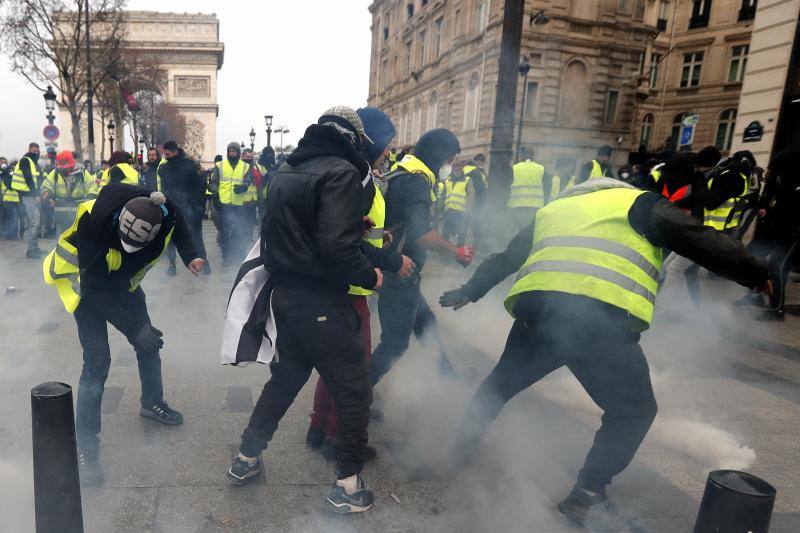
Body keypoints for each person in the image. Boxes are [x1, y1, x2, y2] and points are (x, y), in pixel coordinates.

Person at [439, 176, 770, 529]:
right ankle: (586, 497)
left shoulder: (554, 208)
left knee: (500, 384)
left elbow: (508, 257)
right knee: (634, 411)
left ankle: (459, 449)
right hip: (598, 319)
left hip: (538, 312)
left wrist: (470, 289)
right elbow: (700, 240)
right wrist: (755, 272)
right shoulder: (640, 203)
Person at [226, 107, 381, 514]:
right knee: (353, 391)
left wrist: (348, 227)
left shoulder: (287, 172)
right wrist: (371, 276)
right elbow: (335, 247)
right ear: (351, 138)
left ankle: (245, 459)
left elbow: (289, 229)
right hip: (322, 300)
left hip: (286, 296)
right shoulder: (343, 172)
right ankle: (348, 486)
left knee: (286, 379)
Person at [43, 183, 205, 486]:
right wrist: (133, 328)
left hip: (121, 281)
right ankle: (86, 447)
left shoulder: (162, 210)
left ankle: (152, 403)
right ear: (119, 222)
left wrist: (191, 254)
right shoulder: (94, 222)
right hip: (84, 282)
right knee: (97, 361)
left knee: (149, 343)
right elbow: (94, 290)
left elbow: (179, 221)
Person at [306, 106, 416, 461]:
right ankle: (338, 439)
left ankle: (318, 428)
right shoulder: (356, 177)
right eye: (386, 143)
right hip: (349, 288)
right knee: (353, 371)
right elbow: (346, 242)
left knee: (333, 366)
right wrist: (391, 261)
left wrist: (377, 239)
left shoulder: (359, 174)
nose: (389, 151)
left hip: (339, 287)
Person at [368, 128, 474, 404]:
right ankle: (355, 396)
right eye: (450, 160)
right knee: (394, 344)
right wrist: (455, 251)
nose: (449, 167)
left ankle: (446, 376)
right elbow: (421, 233)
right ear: (441, 158)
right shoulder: (417, 182)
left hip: (400, 270)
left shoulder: (400, 172)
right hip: (399, 271)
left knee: (426, 322)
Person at [745, 148, 800, 320]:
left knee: (779, 268)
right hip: (777, 234)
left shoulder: (794, 185)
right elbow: (772, 204)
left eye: (777, 166)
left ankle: (777, 310)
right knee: (760, 262)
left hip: (791, 236)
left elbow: (788, 211)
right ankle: (757, 297)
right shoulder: (779, 183)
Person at [158, 141, 209, 276]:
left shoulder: (190, 167)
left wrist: (197, 208)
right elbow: (164, 188)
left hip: (190, 209)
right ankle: (172, 264)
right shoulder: (163, 168)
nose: (164, 154)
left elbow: (199, 189)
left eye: (166, 152)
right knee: (170, 239)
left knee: (196, 236)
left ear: (174, 150)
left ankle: (204, 261)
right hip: (170, 208)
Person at [208, 142, 253, 266]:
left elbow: (248, 181)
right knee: (224, 232)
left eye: (234, 151)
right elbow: (213, 182)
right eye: (229, 151)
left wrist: (243, 187)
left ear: (238, 153)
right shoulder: (220, 165)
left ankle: (237, 253)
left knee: (238, 230)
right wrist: (216, 194)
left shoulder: (245, 166)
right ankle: (226, 256)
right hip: (223, 204)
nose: (231, 153)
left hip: (238, 204)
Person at [40, 150, 96, 235]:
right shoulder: (55, 173)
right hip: (60, 216)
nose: (62, 169)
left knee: (78, 241)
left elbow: (93, 189)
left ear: (71, 164)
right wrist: (48, 197)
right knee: (61, 240)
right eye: (60, 167)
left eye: (64, 167)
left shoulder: (82, 173)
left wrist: (88, 203)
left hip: (79, 216)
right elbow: (46, 187)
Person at [508, 147, 552, 234]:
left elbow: (506, 186)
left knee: (516, 230)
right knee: (531, 231)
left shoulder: (514, 168)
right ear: (533, 156)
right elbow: (548, 186)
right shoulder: (541, 169)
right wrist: (545, 202)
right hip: (535, 206)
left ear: (521, 156)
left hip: (516, 206)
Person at [11, 142, 44, 257]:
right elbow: (28, 178)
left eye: (38, 151)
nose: (36, 153)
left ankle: (35, 247)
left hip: (32, 195)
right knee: (34, 222)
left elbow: (38, 180)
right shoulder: (26, 161)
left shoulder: (34, 162)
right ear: (29, 150)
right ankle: (31, 250)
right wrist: (35, 194)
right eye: (34, 151)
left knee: (36, 222)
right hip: (28, 196)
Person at [442, 160, 472, 247]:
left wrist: (468, 210)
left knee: (461, 234)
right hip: (449, 211)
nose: (457, 170)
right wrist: (440, 208)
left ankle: (459, 253)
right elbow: (443, 195)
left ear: (462, 169)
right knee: (445, 234)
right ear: (453, 169)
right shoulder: (447, 180)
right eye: (456, 168)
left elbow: (471, 196)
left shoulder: (467, 180)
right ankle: (445, 251)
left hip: (461, 212)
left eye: (459, 168)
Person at [464, 153, 488, 251]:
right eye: (482, 161)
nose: (483, 164)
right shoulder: (476, 172)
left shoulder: (465, 169)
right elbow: (480, 189)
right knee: (476, 224)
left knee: (463, 225)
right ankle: (475, 246)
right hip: (476, 202)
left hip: (463, 202)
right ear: (477, 161)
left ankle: (460, 246)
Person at [1, 157, 21, 240]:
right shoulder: (6, 178)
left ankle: (11, 234)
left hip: (14, 200)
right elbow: (11, 186)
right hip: (8, 200)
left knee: (13, 217)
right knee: (11, 217)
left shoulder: (8, 176)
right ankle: (10, 234)